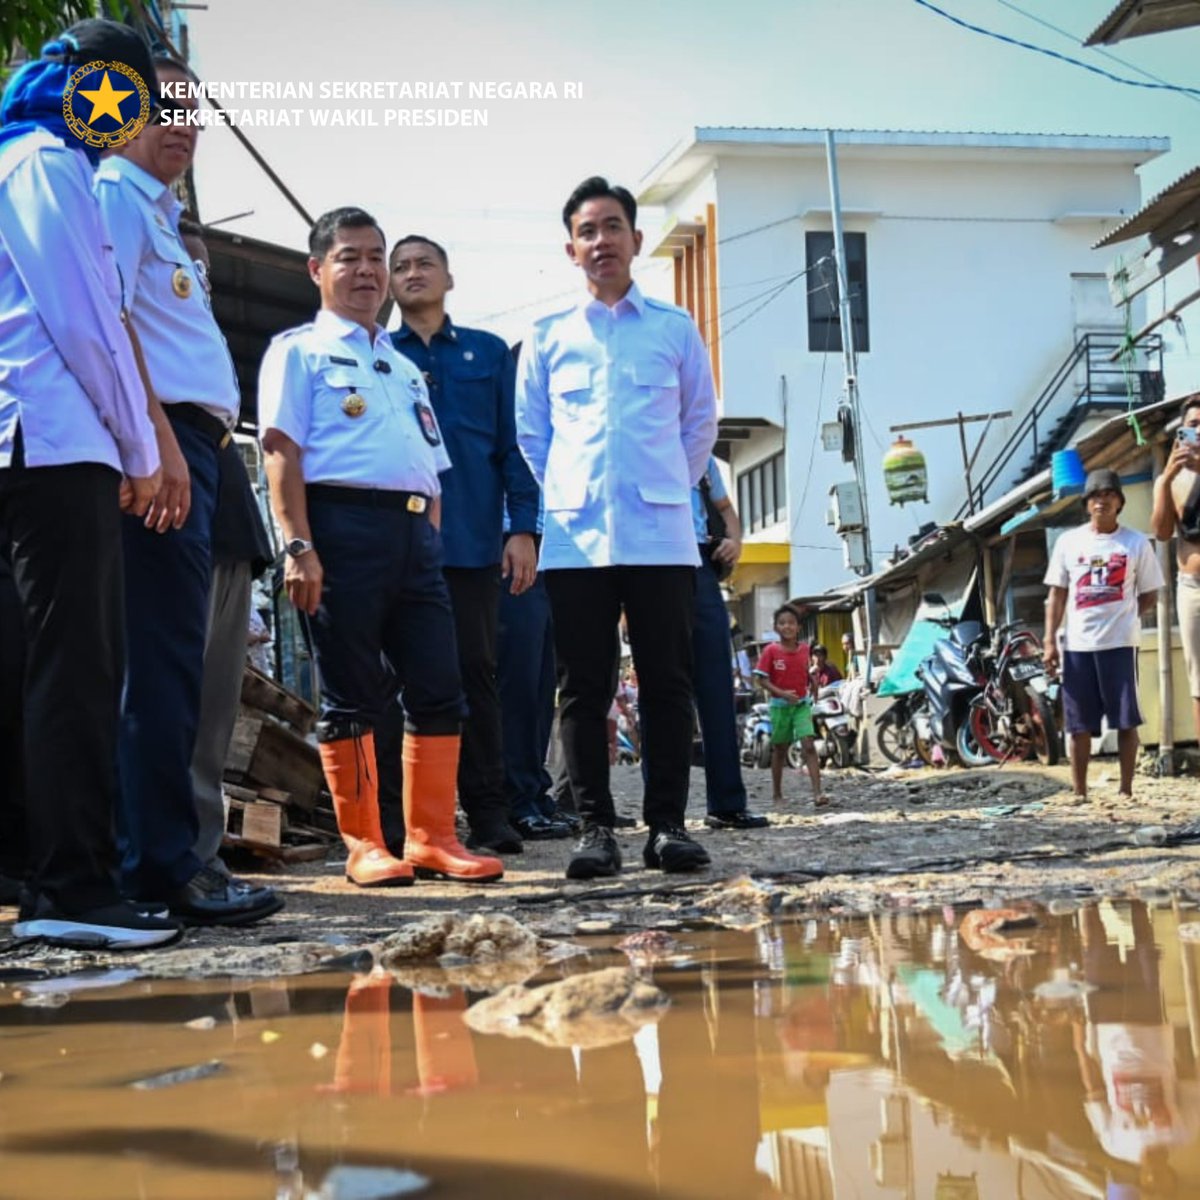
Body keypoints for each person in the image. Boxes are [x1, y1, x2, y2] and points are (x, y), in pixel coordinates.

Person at [0, 19, 181, 948]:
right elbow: (88, 322)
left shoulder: (20, 154)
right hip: (57, 440)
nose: (134, 114)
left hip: (24, 442)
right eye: (131, 93)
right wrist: (141, 446)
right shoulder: (48, 164)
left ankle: (33, 874)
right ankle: (73, 888)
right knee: (78, 667)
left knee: (29, 664)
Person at [258, 206, 503, 888]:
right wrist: (298, 543)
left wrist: (426, 532)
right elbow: (279, 449)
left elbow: (432, 461)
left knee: (438, 686)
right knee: (354, 694)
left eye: (375, 257)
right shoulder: (299, 351)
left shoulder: (399, 365)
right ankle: (366, 843)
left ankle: (432, 836)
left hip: (414, 535)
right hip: (339, 528)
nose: (366, 271)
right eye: (349, 258)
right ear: (317, 270)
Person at [95, 59, 278, 927]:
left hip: (190, 448)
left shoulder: (157, 215)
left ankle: (166, 858)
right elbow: (110, 319)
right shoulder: (114, 197)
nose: (182, 124)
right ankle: (161, 866)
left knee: (171, 661)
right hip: (159, 445)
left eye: (193, 112)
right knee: (158, 664)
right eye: (162, 107)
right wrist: (157, 439)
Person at [516, 175, 718, 880]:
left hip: (662, 535)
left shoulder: (674, 329)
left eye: (613, 227)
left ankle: (667, 826)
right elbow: (532, 436)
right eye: (588, 231)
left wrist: (663, 486)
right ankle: (595, 830)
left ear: (636, 238)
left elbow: (699, 426)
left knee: (668, 681)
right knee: (582, 688)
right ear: (571, 249)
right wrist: (577, 495)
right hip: (576, 541)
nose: (601, 241)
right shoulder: (548, 338)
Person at [389, 235, 539, 855]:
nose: (412, 273)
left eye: (425, 263)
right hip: (395, 544)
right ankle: (406, 824)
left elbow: (515, 447)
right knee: (397, 682)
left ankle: (488, 811)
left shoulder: (488, 354)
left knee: (477, 675)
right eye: (400, 266)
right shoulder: (376, 355)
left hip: (474, 545)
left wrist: (523, 528)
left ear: (449, 278)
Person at [178, 218, 281, 911]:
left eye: (201, 271)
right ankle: (164, 858)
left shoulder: (204, 350)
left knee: (210, 720)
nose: (196, 283)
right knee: (162, 710)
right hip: (164, 525)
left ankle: (201, 857)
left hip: (228, 535)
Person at [1044, 468, 1163, 801]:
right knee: (1078, 723)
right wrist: (1050, 640)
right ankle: (1079, 792)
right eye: (1096, 496)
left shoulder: (1135, 543)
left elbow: (1150, 593)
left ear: (1119, 503)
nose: (1102, 502)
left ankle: (1126, 789)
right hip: (1079, 646)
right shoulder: (1069, 542)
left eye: (1109, 495)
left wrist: (1126, 616)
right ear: (1086, 504)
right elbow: (1057, 594)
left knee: (1126, 719)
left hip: (1121, 644)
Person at [688, 456, 766, 831]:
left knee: (717, 689)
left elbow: (725, 509)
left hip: (702, 566)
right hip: (651, 562)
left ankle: (728, 803)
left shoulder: (701, 455)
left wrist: (734, 541)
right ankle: (665, 815)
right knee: (662, 692)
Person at [1150, 396, 1200, 743]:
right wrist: (1166, 479)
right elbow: (1162, 532)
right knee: (1199, 681)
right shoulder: (1173, 479)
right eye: (1194, 424)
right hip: (1192, 587)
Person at [755, 604, 828, 808]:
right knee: (780, 749)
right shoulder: (770, 651)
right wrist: (782, 694)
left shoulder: (805, 649)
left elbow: (805, 670)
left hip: (802, 705)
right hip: (779, 707)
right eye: (782, 623)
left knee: (809, 745)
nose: (787, 626)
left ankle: (818, 793)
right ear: (776, 627)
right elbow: (761, 679)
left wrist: (812, 683)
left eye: (791, 623)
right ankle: (777, 794)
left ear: (798, 627)